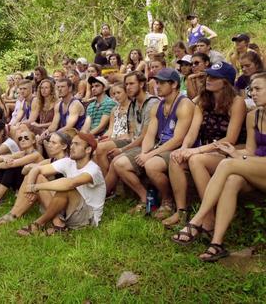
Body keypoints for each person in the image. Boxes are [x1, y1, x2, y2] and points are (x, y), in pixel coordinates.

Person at [171, 72, 266, 262]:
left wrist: (237, 159)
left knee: (227, 164)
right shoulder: (254, 116)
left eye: (258, 89)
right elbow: (249, 150)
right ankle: (217, 242)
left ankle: (198, 220)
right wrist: (236, 153)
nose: (253, 93)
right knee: (232, 180)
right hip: (257, 169)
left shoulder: (237, 103)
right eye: (251, 89)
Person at [166, 62, 245, 227]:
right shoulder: (204, 100)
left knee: (196, 160)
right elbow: (193, 132)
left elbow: (230, 139)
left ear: (226, 82)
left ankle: (208, 217)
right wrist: (184, 148)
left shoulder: (237, 102)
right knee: (175, 157)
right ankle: (182, 211)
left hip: (230, 151)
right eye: (208, 75)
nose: (208, 79)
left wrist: (197, 151)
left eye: (214, 77)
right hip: (209, 150)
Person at [113, 68, 194, 216]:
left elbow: (178, 139)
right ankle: (145, 198)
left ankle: (167, 201)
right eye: (156, 82)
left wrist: (150, 155)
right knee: (119, 164)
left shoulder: (184, 104)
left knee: (151, 165)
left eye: (162, 83)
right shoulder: (158, 106)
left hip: (175, 148)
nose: (157, 86)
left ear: (174, 84)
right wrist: (144, 153)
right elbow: (150, 135)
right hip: (159, 146)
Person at [16, 132, 105, 236]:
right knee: (39, 177)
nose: (72, 147)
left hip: (88, 218)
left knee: (67, 189)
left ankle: (38, 223)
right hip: (70, 209)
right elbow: (37, 169)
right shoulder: (68, 162)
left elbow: (70, 184)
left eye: (77, 144)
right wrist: (30, 186)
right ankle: (59, 225)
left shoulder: (93, 170)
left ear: (88, 150)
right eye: (72, 143)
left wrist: (35, 187)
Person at [0, 131, 71, 224]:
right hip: (50, 198)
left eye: (53, 143)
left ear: (64, 146)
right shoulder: (51, 160)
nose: (49, 145)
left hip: (62, 204)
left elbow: (14, 165)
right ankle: (13, 212)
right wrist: (30, 168)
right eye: (49, 142)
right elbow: (24, 170)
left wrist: (32, 168)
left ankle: (12, 212)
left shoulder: (67, 161)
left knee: (37, 177)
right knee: (31, 175)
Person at [102, 71, 160, 195]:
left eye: (132, 84)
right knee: (109, 156)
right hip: (136, 143)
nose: (128, 87)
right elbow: (133, 132)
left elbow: (145, 136)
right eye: (126, 84)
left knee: (118, 162)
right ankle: (103, 194)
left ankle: (144, 197)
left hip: (150, 144)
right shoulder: (133, 104)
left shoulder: (152, 103)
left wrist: (123, 150)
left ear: (142, 84)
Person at [0, 128, 40, 208]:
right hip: (21, 182)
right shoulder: (22, 153)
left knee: (12, 168)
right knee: (7, 166)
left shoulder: (35, 154)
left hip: (33, 184)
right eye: (20, 138)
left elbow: (11, 164)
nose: (23, 140)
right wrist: (4, 158)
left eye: (26, 138)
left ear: (33, 141)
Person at [93, 82, 130, 177]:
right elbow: (111, 129)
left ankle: (106, 180)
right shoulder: (114, 109)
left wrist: (113, 139)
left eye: (119, 92)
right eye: (114, 94)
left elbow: (130, 132)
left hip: (126, 139)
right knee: (95, 145)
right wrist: (104, 137)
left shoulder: (132, 108)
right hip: (115, 137)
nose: (116, 96)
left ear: (126, 92)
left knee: (100, 148)